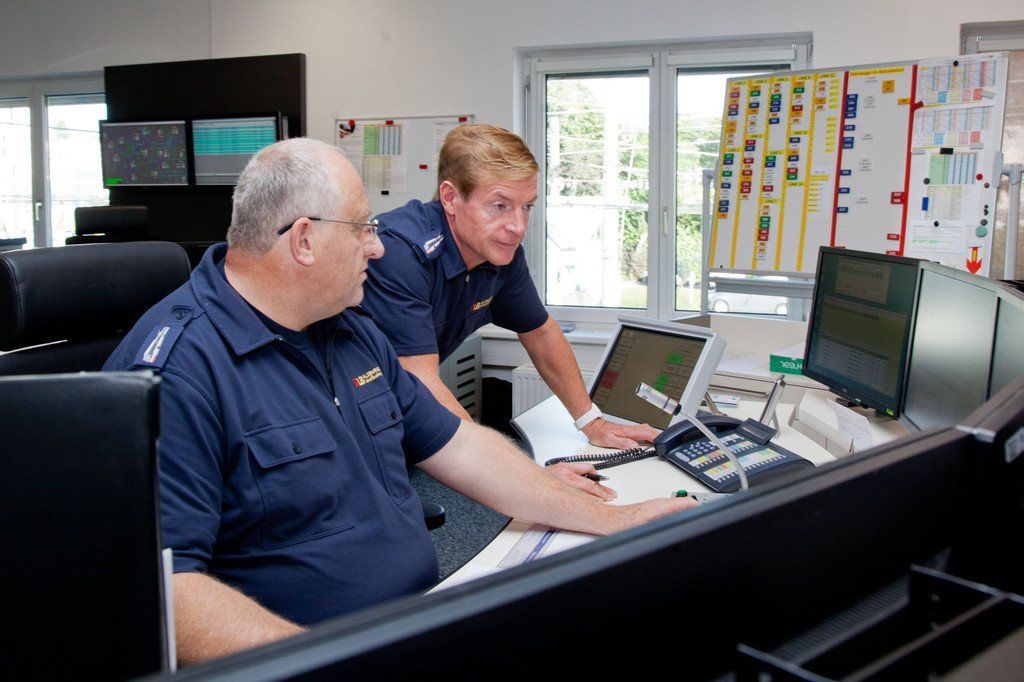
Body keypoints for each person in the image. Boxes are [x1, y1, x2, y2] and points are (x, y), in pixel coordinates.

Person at [104, 138, 695, 664]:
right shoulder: (175, 372)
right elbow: (169, 592)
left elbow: (461, 446)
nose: (377, 248)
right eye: (363, 229)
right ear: (304, 240)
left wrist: (613, 520)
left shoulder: (348, 330)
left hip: (413, 620)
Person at [361, 124, 658, 498]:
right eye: (499, 206)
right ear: (450, 198)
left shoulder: (499, 251)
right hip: (345, 428)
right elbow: (420, 382)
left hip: (398, 420)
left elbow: (541, 333)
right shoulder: (400, 252)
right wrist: (524, 476)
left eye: (527, 206)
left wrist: (591, 421)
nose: (518, 227)